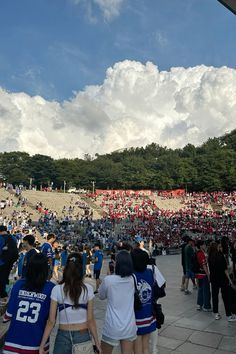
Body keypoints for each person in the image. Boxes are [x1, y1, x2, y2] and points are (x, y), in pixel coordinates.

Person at [39, 252, 100, 354]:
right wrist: (97, 343)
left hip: (63, 335)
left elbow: (51, 321)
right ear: (81, 269)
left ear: (66, 269)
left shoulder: (57, 289)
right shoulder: (88, 289)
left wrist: (42, 345)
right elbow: (90, 320)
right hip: (83, 335)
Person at [2, 253, 54, 353]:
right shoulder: (51, 288)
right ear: (45, 269)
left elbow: (8, 315)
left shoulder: (19, 284)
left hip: (13, 341)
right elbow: (50, 320)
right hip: (37, 343)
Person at [99, 250, 137, 354]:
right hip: (129, 325)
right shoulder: (133, 279)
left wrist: (109, 275)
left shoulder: (109, 280)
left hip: (112, 325)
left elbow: (101, 296)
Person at [131, 248, 156, 354]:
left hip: (137, 316)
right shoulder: (150, 272)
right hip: (149, 314)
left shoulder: (132, 276)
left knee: (137, 346)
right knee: (146, 346)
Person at [208, 242, 236, 321]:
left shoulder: (210, 257)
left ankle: (216, 313)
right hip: (222, 279)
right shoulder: (221, 256)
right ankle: (228, 315)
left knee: (215, 296)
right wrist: (230, 280)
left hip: (214, 279)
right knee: (226, 297)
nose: (221, 248)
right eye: (219, 247)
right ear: (216, 248)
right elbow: (225, 270)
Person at [0, 225, 18, 305]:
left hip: (1, 261)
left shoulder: (1, 238)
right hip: (10, 262)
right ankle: (4, 296)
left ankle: (2, 295)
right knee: (5, 277)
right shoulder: (13, 238)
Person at [195, 240, 211, 311]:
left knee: (200, 289)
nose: (205, 246)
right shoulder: (201, 254)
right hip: (203, 274)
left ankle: (199, 304)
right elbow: (204, 265)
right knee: (206, 290)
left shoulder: (197, 253)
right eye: (204, 244)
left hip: (198, 274)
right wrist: (208, 275)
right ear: (201, 246)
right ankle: (206, 306)